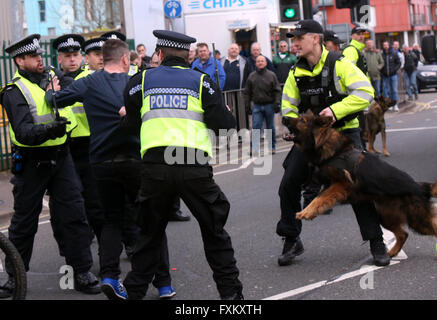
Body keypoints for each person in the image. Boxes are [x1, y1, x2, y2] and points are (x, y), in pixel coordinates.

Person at [45, 39, 176, 300]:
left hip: (102, 163)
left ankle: (109, 277)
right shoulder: (139, 81)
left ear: (103, 60)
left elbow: (55, 100)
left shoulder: (90, 82)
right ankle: (163, 284)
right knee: (151, 222)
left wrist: (51, 90)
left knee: (111, 222)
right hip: (138, 161)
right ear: (126, 60)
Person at [122, 29, 243, 300]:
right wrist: (226, 115)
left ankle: (134, 293)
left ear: (160, 54)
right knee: (214, 233)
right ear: (188, 56)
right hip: (193, 165)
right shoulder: (203, 81)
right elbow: (225, 129)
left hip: (155, 166)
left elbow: (129, 125)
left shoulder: (138, 81)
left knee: (149, 236)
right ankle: (232, 298)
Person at [278, 20, 390, 268]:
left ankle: (376, 241)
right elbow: (287, 106)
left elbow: (365, 93)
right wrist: (296, 127)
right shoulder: (296, 73)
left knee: (356, 186)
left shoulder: (340, 64)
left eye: (299, 38)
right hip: (312, 142)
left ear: (315, 39)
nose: (294, 44)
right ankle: (291, 238)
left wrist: (335, 111)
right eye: (293, 39)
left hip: (344, 137)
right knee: (288, 184)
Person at [0, 34, 101, 298]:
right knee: (24, 223)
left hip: (62, 157)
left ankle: (80, 272)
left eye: (39, 55)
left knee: (74, 215)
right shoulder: (14, 91)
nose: (39, 59)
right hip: (33, 163)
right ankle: (14, 278)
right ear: (20, 61)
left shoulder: (52, 80)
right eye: (33, 57)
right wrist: (50, 129)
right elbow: (22, 131)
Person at [52, 33, 105, 248]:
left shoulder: (91, 78)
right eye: (67, 56)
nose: (72, 60)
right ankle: (74, 251)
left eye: (75, 55)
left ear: (82, 57)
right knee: (66, 205)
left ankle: (106, 248)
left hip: (89, 147)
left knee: (95, 202)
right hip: (63, 149)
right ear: (59, 59)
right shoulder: (52, 81)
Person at [243, 55, 281, 155]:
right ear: (256, 63)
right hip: (257, 105)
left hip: (269, 105)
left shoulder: (271, 75)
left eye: (262, 61)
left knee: (270, 127)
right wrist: (247, 105)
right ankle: (254, 148)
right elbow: (247, 92)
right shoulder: (251, 76)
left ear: (266, 63)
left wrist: (277, 103)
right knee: (256, 126)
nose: (260, 63)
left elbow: (277, 90)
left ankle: (271, 147)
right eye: (258, 61)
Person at [381, 41, 401, 111]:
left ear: (389, 46)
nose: (385, 46)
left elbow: (399, 63)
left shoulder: (394, 53)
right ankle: (390, 105)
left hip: (393, 75)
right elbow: (380, 64)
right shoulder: (382, 54)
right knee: (387, 91)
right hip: (385, 76)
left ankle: (395, 105)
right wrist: (382, 71)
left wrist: (394, 70)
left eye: (386, 45)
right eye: (384, 45)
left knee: (394, 90)